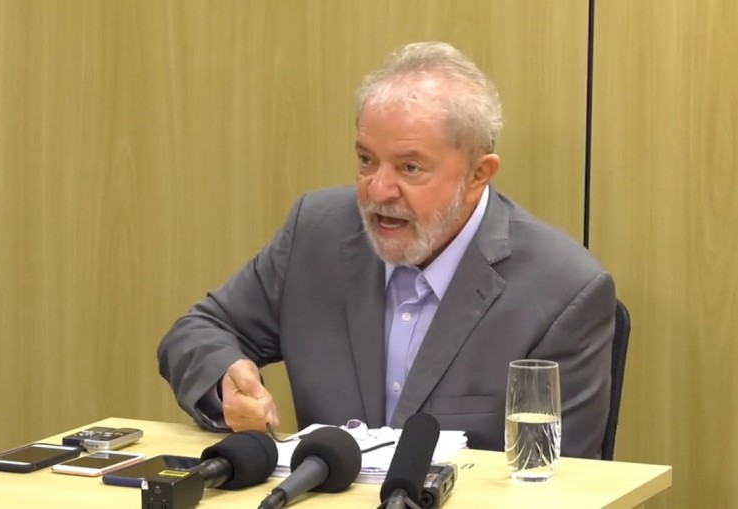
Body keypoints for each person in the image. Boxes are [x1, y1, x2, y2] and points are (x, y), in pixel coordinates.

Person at [158, 41, 616, 459]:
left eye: (410, 167)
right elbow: (199, 330)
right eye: (366, 160)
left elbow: (562, 484)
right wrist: (227, 377)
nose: (378, 190)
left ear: (478, 175)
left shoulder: (562, 289)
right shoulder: (317, 233)